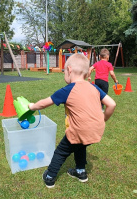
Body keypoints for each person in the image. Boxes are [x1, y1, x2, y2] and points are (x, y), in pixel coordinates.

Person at [28, 54, 116, 188]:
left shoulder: (68, 89)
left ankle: (50, 176)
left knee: (61, 151)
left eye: (64, 72)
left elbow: (43, 103)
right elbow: (112, 104)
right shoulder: (94, 87)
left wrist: (32, 106)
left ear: (69, 70)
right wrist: (103, 119)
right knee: (80, 145)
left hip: (79, 129)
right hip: (95, 129)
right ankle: (81, 172)